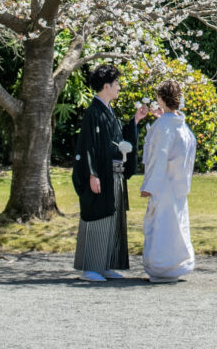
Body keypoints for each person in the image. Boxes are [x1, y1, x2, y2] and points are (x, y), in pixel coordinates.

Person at [71, 64, 148, 282]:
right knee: (97, 216)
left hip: (113, 173)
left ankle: (105, 264)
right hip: (100, 175)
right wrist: (92, 174)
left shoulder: (107, 110)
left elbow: (117, 137)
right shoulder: (93, 112)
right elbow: (87, 146)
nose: (119, 88)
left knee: (113, 218)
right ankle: (91, 267)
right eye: (116, 84)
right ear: (106, 86)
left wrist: (135, 121)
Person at [139, 78, 197, 283]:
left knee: (162, 223)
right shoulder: (182, 126)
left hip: (163, 184)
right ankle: (177, 263)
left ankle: (161, 266)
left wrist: (149, 185)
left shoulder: (163, 126)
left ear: (160, 98)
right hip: (178, 183)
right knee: (176, 223)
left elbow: (158, 156)